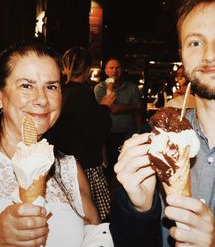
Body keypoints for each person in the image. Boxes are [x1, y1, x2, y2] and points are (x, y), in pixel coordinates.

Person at [109, 0, 215, 247]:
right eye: (195, 43)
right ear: (182, 55)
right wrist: (140, 210)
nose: (210, 55)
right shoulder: (153, 141)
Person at [0, 41, 113, 246]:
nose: (42, 99)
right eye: (26, 85)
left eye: (51, 87)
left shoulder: (70, 170)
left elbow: (95, 235)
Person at [48, 46, 114, 222]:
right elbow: (96, 128)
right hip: (84, 162)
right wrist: (105, 106)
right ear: (86, 70)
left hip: (62, 159)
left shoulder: (61, 90)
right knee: (94, 214)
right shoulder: (83, 93)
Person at [94, 56, 143, 188]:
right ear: (106, 71)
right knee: (109, 170)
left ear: (123, 70)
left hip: (128, 134)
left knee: (128, 170)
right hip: (107, 136)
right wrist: (132, 106)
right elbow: (112, 109)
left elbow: (138, 112)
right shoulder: (100, 88)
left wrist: (138, 132)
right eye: (111, 68)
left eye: (118, 67)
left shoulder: (132, 88)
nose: (115, 70)